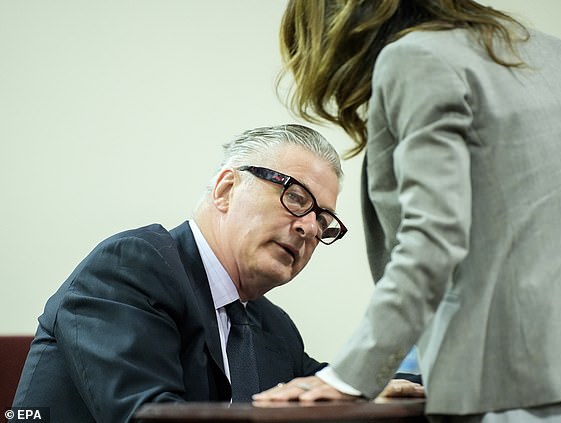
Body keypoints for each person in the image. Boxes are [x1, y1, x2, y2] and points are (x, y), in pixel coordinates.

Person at [254, 1, 561, 422]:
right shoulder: (547, 51)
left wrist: (348, 377)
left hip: (509, 381)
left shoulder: (416, 58)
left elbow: (433, 241)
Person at [12, 124, 349, 422]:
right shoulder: (129, 268)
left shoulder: (274, 326)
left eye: (322, 220)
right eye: (295, 197)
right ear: (225, 190)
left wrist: (400, 381)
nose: (309, 227)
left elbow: (339, 387)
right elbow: (148, 415)